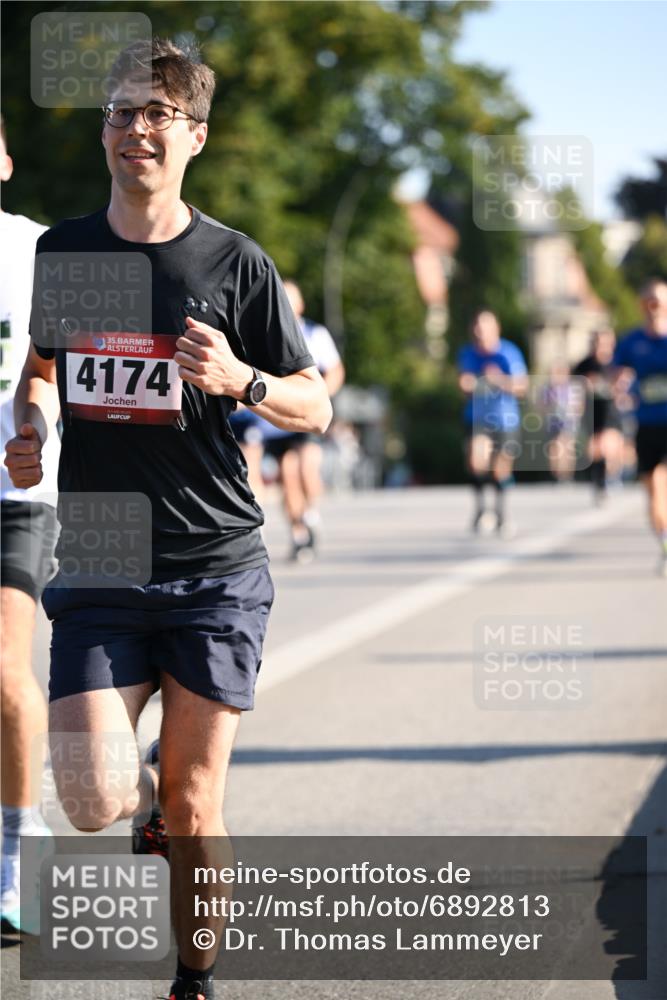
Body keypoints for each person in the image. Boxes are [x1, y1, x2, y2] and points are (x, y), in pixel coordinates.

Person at [4, 37, 331, 1000]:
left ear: (193, 135)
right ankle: (135, 795)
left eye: (154, 114)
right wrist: (32, 425)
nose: (132, 129)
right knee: (96, 797)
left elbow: (313, 402)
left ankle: (194, 979)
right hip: (103, 547)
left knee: (195, 808)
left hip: (213, 561)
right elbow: (43, 370)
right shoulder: (68, 251)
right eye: (117, 111)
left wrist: (244, 379)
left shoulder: (231, 261)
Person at [0, 114, 60, 932]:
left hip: (17, 489)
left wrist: (38, 433)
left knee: (3, 663)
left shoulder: (47, 251)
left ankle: (18, 846)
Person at [232, 280, 344, 561]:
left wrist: (318, 398)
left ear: (301, 304)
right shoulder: (261, 334)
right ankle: (298, 533)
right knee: (284, 476)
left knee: (305, 468)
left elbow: (335, 371)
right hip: (269, 419)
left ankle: (310, 513)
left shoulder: (315, 334)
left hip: (300, 416)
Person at [457, 309, 528, 536]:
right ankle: (481, 510)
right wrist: (471, 383)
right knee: (477, 460)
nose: (480, 332)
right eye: (477, 327)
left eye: (485, 326)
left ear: (496, 328)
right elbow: (464, 383)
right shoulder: (468, 353)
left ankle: (501, 513)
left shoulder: (508, 353)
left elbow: (521, 387)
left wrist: (498, 380)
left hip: (505, 419)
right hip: (477, 418)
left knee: (500, 470)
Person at [613, 278, 667, 576]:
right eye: (649, 302)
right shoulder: (633, 342)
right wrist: (619, 382)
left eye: (659, 301)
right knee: (655, 491)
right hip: (647, 424)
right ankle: (664, 542)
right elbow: (616, 372)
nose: (654, 307)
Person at [573, 329, 626, 503]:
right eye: (596, 343)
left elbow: (625, 387)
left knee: (606, 447)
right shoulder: (583, 365)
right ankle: (599, 484)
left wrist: (615, 387)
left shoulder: (617, 364)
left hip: (611, 413)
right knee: (594, 451)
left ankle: (610, 478)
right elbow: (574, 390)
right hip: (591, 414)